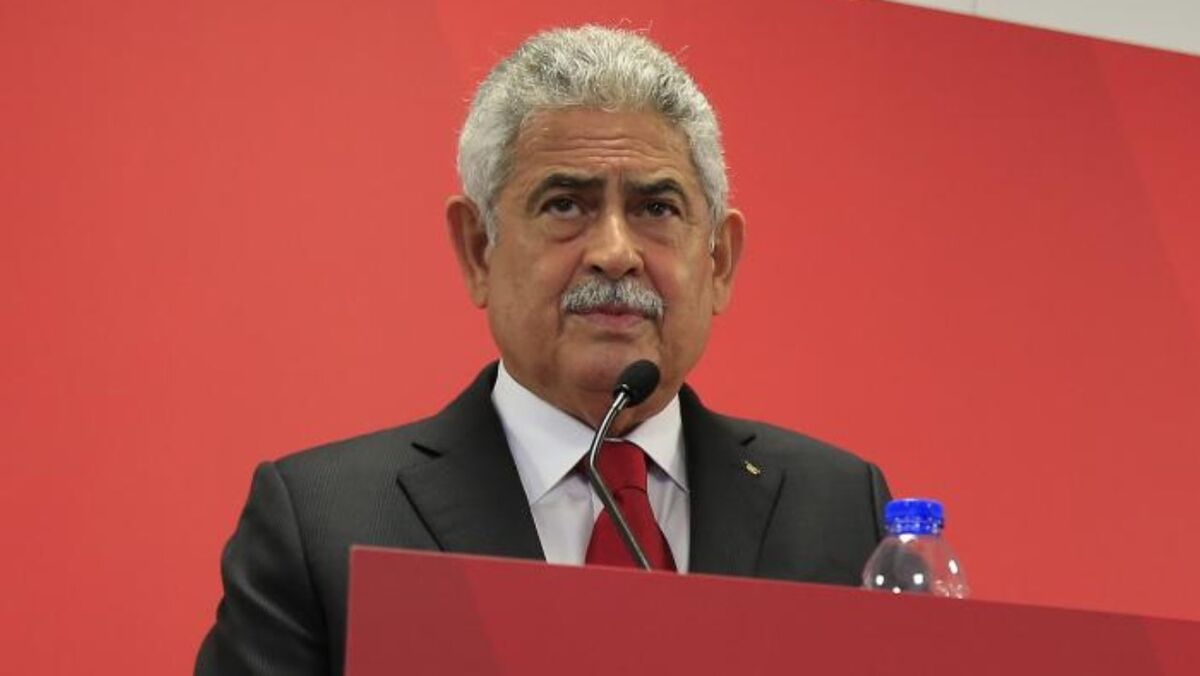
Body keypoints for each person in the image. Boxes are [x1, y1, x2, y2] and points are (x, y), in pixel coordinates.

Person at [196, 25, 891, 676]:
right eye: (565, 205)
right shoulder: (326, 523)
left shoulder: (840, 508)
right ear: (478, 249)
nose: (615, 253)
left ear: (719, 261)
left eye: (656, 209)